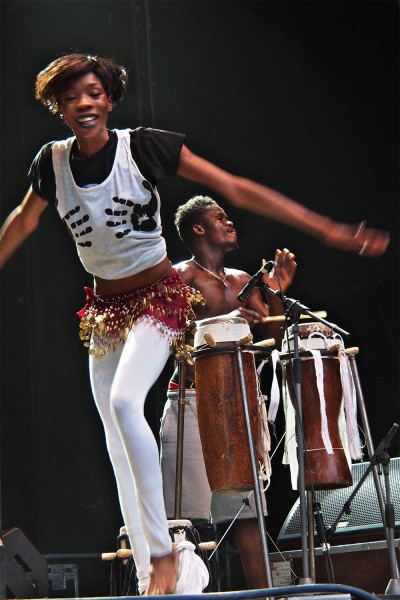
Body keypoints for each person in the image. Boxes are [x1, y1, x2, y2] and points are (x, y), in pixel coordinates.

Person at [0, 52, 390, 595]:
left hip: (158, 297)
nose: (83, 104)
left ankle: (163, 552)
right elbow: (23, 221)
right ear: (58, 107)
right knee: (115, 443)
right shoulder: (53, 163)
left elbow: (234, 186)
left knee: (123, 402)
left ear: (108, 99)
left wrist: (325, 228)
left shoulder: (144, 147)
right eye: (70, 97)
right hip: (106, 312)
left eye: (93, 93)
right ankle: (150, 575)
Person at [160, 195, 297, 589]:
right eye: (220, 218)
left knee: (248, 516)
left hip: (238, 405)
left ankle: (262, 596)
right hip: (189, 403)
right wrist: (225, 319)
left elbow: (266, 335)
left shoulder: (241, 281)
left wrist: (275, 293)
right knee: (187, 524)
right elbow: (172, 341)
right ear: (198, 229)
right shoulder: (178, 278)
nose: (230, 222)